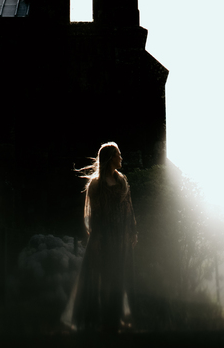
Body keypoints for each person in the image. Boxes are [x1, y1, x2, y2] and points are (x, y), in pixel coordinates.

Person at [73, 141, 137, 333]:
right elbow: (96, 216)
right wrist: (98, 239)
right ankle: (103, 319)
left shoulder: (122, 181)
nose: (121, 158)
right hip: (104, 237)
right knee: (104, 277)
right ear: (110, 159)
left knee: (119, 276)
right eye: (118, 155)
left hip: (121, 236)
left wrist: (132, 231)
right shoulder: (96, 185)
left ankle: (115, 318)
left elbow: (129, 208)